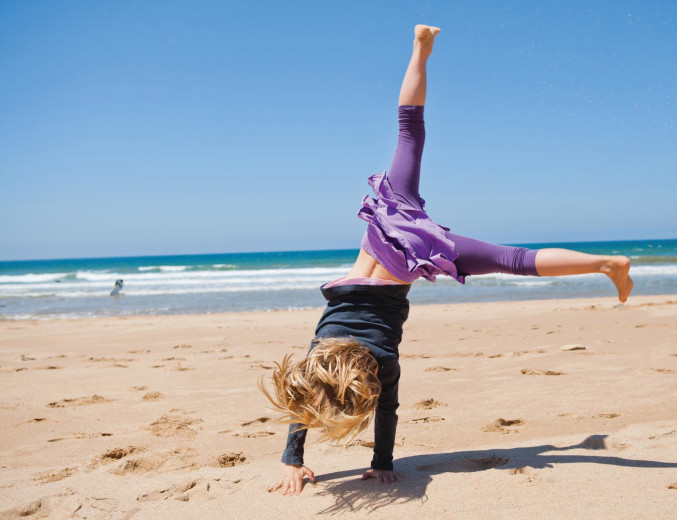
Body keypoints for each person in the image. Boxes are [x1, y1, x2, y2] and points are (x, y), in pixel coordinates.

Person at [259, 25, 633, 496]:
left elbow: (382, 407)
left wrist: (374, 463)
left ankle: (605, 265)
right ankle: (422, 46)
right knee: (408, 129)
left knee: (513, 259)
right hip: (390, 226)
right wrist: (303, 456)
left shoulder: (379, 363)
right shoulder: (321, 351)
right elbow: (306, 392)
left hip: (413, 259)